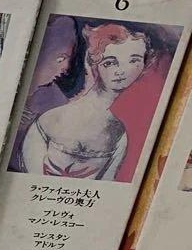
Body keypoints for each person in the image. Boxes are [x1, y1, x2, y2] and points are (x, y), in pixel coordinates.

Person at [20, 22, 151, 179]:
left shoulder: (121, 134)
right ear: (92, 63)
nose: (122, 71)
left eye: (134, 60)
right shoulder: (49, 120)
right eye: (110, 62)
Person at [8, 15, 77, 171]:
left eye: (68, 59)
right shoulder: (3, 83)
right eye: (60, 59)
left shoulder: (55, 100)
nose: (66, 68)